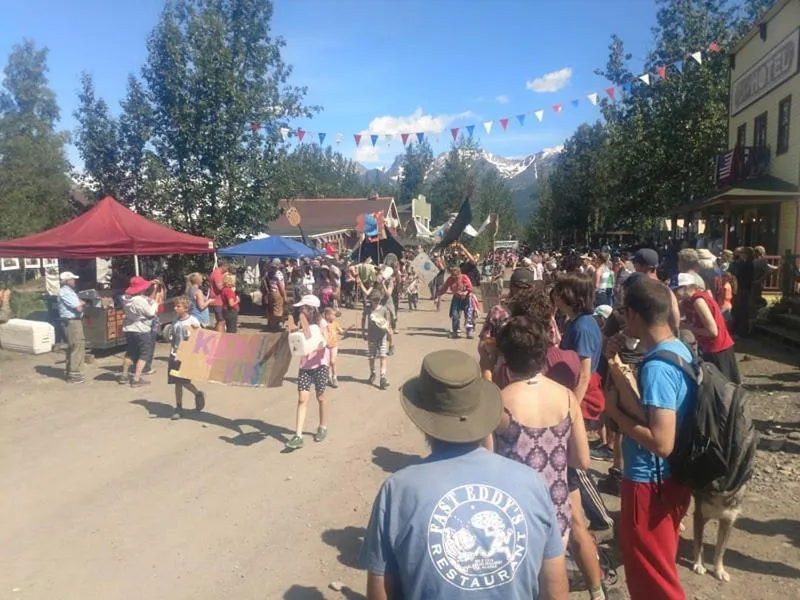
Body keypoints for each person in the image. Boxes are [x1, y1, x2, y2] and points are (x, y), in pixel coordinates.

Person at [361, 350, 569, 600]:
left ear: (422, 419)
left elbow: (380, 590)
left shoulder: (398, 490)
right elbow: (554, 587)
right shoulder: (531, 483)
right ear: (481, 412)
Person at [603, 276, 694, 600]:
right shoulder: (678, 348)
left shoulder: (656, 367)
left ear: (635, 315)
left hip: (648, 483)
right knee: (657, 567)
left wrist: (615, 415)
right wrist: (615, 363)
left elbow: (661, 441)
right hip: (672, 481)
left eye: (625, 312)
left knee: (653, 582)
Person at [673, 273, 741, 384]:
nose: (674, 293)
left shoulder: (698, 300)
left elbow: (713, 332)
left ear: (685, 288)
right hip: (707, 347)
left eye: (676, 289)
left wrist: (687, 327)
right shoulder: (687, 301)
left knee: (725, 386)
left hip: (718, 349)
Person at [285, 295, 331, 450]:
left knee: (320, 396)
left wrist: (321, 343)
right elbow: (297, 340)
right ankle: (298, 436)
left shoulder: (321, 323)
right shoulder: (301, 323)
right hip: (305, 365)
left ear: (312, 309)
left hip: (320, 365)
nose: (301, 310)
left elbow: (328, 340)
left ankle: (323, 427)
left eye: (304, 307)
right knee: (302, 399)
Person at [167, 296, 206, 420]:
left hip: (186, 356)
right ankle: (178, 407)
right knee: (176, 383)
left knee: (184, 381)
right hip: (175, 355)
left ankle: (198, 393)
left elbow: (200, 337)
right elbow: (174, 337)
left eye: (178, 306)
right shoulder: (176, 320)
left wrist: (197, 330)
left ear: (186, 308)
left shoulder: (193, 321)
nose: (175, 308)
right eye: (175, 306)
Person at [118, 276, 157, 387]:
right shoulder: (139, 300)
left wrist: (152, 285)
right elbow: (150, 313)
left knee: (130, 352)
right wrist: (154, 304)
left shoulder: (125, 298)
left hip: (129, 328)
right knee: (144, 353)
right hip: (141, 329)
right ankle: (136, 378)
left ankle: (124, 375)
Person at [57, 271, 86, 383]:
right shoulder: (66, 292)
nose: (74, 281)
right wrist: (83, 304)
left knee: (72, 347)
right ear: (67, 281)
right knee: (77, 346)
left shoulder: (67, 292)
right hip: (73, 322)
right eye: (73, 279)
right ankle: (75, 374)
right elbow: (78, 307)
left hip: (69, 321)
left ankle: (70, 372)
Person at [435, 265, 475, 339]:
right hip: (456, 298)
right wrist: (437, 296)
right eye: (453, 275)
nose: (454, 277)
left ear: (459, 273)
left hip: (466, 298)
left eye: (456, 275)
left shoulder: (464, 277)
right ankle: (455, 331)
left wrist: (465, 293)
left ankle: (469, 331)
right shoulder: (450, 279)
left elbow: (470, 288)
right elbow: (444, 288)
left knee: (468, 315)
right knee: (455, 314)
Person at [366, 290, 392, 390]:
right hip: (371, 336)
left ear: (380, 300)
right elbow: (364, 318)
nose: (376, 301)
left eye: (378, 299)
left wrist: (388, 331)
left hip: (382, 336)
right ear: (371, 300)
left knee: (383, 356)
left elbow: (387, 322)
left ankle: (383, 377)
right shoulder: (368, 309)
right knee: (371, 357)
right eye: (374, 299)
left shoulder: (384, 310)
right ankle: (373, 373)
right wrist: (363, 331)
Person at [322, 307, 344, 388]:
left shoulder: (335, 323)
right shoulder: (323, 323)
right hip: (326, 346)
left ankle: (334, 377)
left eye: (335, 315)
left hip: (334, 345)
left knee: (332, 361)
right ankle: (329, 377)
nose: (334, 317)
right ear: (327, 315)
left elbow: (341, 332)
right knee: (327, 363)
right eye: (333, 315)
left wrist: (348, 329)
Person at [208, 259, 229, 332]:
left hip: (217, 300)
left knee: (219, 321)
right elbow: (219, 287)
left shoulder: (216, 273)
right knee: (221, 321)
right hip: (217, 301)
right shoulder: (217, 274)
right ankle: (220, 337)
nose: (227, 269)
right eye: (227, 267)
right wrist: (227, 282)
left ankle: (218, 336)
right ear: (223, 266)